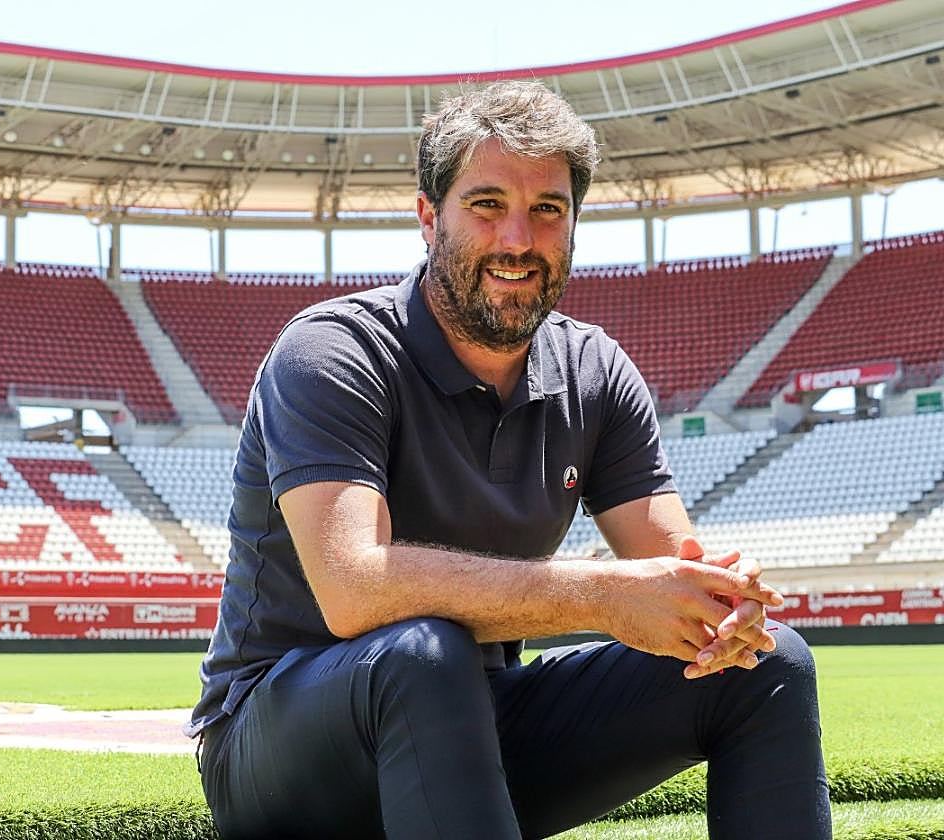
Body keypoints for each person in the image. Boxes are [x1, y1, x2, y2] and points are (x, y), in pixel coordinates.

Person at [187, 80, 830, 839]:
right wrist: (603, 597)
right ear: (429, 219)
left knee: (766, 665)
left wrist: (723, 608)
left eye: (547, 210)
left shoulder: (594, 371)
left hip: (471, 722)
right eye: (487, 204)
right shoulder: (332, 351)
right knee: (426, 656)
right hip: (280, 750)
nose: (518, 240)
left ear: (574, 226)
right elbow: (354, 591)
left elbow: (673, 574)